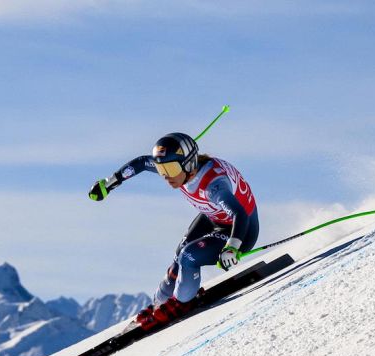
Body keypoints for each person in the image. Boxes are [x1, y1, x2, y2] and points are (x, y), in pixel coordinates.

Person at [88, 132, 259, 327]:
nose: (166, 176)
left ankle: (181, 303)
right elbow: (143, 163)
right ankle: (160, 304)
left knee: (189, 256)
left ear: (189, 165)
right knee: (181, 251)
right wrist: (109, 183)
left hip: (240, 231)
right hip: (215, 216)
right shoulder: (181, 169)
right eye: (162, 169)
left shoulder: (213, 186)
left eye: (169, 168)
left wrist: (232, 247)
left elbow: (240, 214)